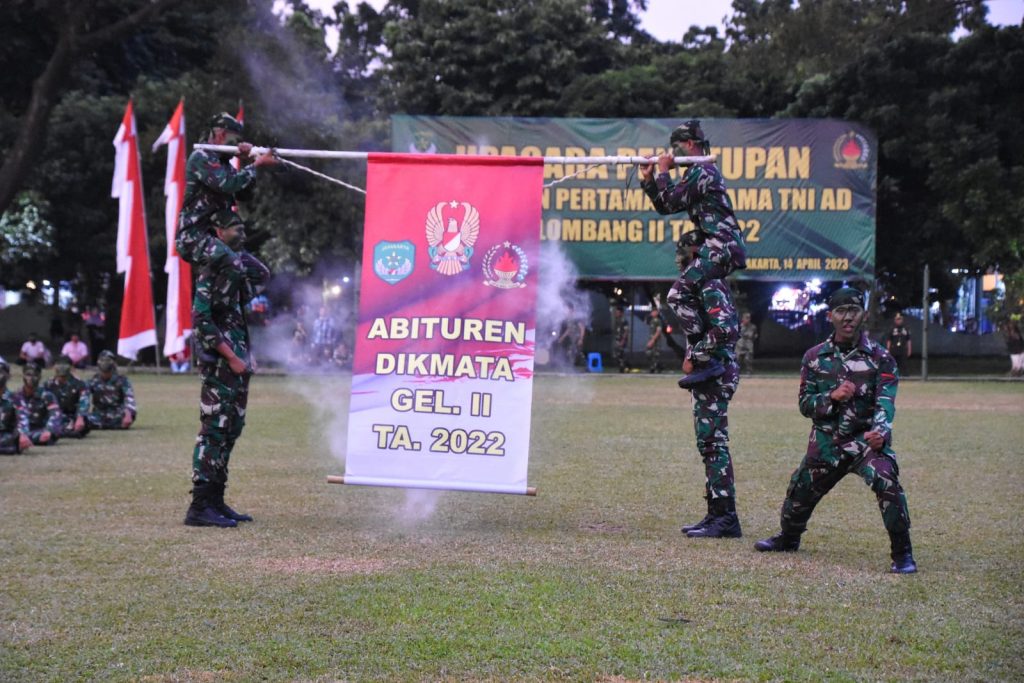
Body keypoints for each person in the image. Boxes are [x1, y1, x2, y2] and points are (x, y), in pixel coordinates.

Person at [755, 287, 917, 574]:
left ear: (863, 314)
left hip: (865, 443)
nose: (847, 317)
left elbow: (886, 402)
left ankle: (903, 554)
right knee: (798, 495)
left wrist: (880, 432)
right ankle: (789, 538)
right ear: (830, 316)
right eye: (841, 311)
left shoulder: (881, 358)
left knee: (887, 481)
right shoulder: (814, 357)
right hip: (826, 444)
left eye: (853, 311)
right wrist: (832, 396)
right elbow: (805, 405)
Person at [640, 120, 746, 388]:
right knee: (691, 298)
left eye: (675, 147)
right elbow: (666, 206)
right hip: (716, 246)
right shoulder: (694, 173)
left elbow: (671, 199)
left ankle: (704, 357)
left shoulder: (704, 171)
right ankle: (704, 358)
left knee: (677, 295)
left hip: (722, 245)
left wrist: (663, 171)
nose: (671, 153)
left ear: (689, 144)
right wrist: (650, 180)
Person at [184, 210, 271, 528]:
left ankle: (216, 500)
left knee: (231, 428)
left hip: (237, 363)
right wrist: (232, 357)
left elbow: (262, 274)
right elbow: (201, 321)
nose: (242, 232)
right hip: (220, 364)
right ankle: (199, 506)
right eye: (235, 228)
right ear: (218, 232)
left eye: (243, 228)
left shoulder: (233, 274)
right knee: (214, 431)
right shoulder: (210, 270)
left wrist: (246, 355)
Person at [669, 240, 743, 538]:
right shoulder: (701, 285)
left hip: (716, 372)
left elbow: (726, 329)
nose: (676, 258)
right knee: (708, 446)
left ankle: (726, 518)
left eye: (680, 251)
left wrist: (696, 355)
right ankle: (716, 513)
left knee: (714, 445)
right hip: (707, 374)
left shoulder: (710, 284)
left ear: (694, 252)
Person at [176, 112, 278, 270]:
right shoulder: (201, 157)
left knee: (258, 272)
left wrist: (249, 163)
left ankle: (222, 286)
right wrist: (255, 165)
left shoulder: (225, 165)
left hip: (218, 237)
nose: (238, 145)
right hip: (194, 237)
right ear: (221, 134)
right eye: (235, 140)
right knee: (232, 264)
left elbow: (244, 195)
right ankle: (207, 286)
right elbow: (227, 185)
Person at [85, 350, 137, 430]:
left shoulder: (122, 380)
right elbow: (83, 398)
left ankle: (103, 425)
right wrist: (81, 416)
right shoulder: (93, 381)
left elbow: (129, 398)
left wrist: (128, 414)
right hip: (98, 415)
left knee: (127, 418)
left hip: (118, 414)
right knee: (83, 420)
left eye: (108, 360)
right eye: (102, 360)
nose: (105, 363)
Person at [13, 363, 62, 446]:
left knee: (47, 436)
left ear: (39, 377)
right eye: (28, 374)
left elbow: (55, 414)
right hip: (19, 431)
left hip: (39, 430)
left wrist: (49, 430)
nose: (31, 378)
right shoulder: (16, 395)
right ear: (23, 376)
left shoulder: (47, 396)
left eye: (35, 375)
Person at [44, 355, 91, 439]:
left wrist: (80, 417)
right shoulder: (48, 384)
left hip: (72, 417)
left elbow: (84, 402)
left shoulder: (79, 384)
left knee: (85, 424)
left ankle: (60, 432)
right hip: (54, 417)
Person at [0, 359, 33, 455]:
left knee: (10, 441)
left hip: (6, 435)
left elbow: (23, 419)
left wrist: (23, 434)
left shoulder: (15, 399)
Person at [553, 303, 586, 368]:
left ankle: (587, 366)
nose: (565, 310)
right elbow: (569, 329)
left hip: (577, 338)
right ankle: (570, 367)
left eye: (567, 309)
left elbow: (582, 328)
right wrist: (562, 337)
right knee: (571, 352)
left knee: (578, 353)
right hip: (572, 338)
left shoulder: (576, 318)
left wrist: (581, 339)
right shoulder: (569, 318)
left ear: (571, 310)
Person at [885, 312, 912, 377]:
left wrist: (909, 350)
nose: (899, 321)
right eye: (897, 319)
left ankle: (905, 376)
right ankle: (893, 375)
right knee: (893, 363)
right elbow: (889, 340)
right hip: (894, 349)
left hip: (903, 349)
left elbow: (908, 340)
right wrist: (888, 350)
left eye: (900, 319)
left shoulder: (906, 329)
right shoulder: (892, 329)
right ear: (895, 320)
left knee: (904, 363)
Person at [645, 306, 665, 373]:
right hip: (651, 339)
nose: (652, 313)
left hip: (656, 341)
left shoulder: (658, 321)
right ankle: (656, 366)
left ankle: (654, 368)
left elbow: (658, 331)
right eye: (652, 311)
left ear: (657, 312)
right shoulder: (651, 320)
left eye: (654, 311)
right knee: (649, 353)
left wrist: (653, 340)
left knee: (655, 354)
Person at [611, 305, 630, 373]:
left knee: (621, 354)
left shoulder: (624, 321)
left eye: (618, 312)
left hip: (622, 340)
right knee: (617, 355)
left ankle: (624, 367)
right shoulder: (617, 321)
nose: (616, 314)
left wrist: (623, 340)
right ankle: (623, 366)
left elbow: (626, 331)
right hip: (617, 340)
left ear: (621, 313)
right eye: (616, 312)